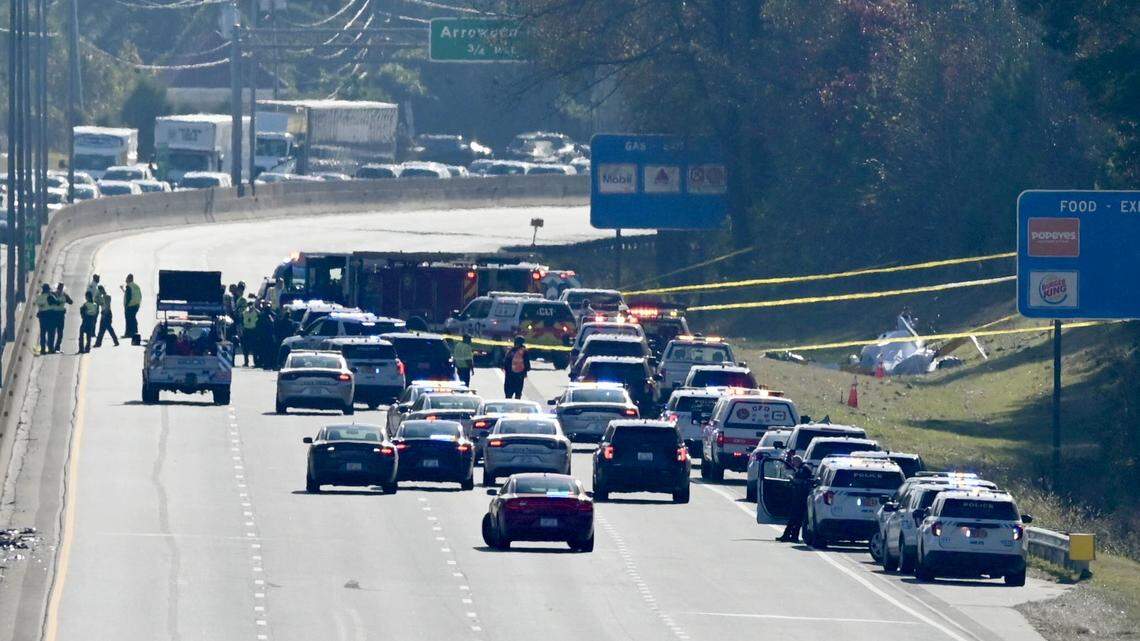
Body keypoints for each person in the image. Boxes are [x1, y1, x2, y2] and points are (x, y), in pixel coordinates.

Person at [777, 456, 814, 542]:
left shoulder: (803, 469)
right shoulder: (803, 468)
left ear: (798, 461)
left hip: (801, 497)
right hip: (800, 496)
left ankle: (789, 536)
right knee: (797, 518)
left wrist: (791, 478)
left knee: (795, 518)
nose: (793, 463)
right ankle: (792, 536)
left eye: (794, 462)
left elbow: (799, 481)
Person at [51, 283, 74, 353]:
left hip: (55, 315)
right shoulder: (63, 295)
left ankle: (53, 348)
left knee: (54, 332)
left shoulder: (54, 294)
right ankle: (56, 348)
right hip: (59, 315)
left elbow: (70, 302)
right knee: (59, 333)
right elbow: (71, 302)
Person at [35, 284, 55, 354]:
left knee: (43, 333)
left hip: (42, 317)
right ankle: (51, 348)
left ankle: (43, 349)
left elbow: (39, 305)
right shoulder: (51, 297)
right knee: (51, 333)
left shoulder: (39, 297)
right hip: (50, 316)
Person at [122, 274, 142, 343]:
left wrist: (126, 305)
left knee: (128, 319)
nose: (125, 280)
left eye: (126, 279)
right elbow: (140, 295)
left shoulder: (129, 286)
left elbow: (128, 297)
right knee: (133, 318)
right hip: (136, 305)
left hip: (130, 305)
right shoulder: (136, 286)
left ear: (129, 279)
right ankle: (134, 332)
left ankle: (128, 333)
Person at [241, 296, 259, 367]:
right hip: (246, 331)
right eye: (249, 304)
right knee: (245, 348)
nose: (250, 306)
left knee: (254, 348)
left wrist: (254, 308)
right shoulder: (244, 312)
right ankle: (246, 362)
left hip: (253, 331)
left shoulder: (256, 312)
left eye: (251, 304)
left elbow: (260, 314)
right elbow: (242, 321)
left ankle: (256, 362)